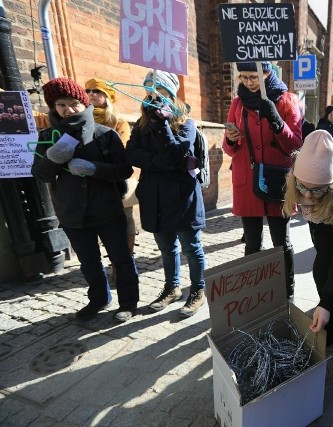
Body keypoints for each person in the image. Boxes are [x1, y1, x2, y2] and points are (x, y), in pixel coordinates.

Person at [31, 77, 139, 322]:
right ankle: (99, 299)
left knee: (121, 259)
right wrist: (52, 159)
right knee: (89, 262)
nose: (68, 110)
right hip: (71, 214)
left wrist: (94, 168)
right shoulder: (48, 136)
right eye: (61, 105)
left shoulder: (105, 135)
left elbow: (124, 171)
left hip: (107, 211)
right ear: (53, 107)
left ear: (83, 103)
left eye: (73, 103)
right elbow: (39, 173)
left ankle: (129, 303)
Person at [125, 70, 206, 318]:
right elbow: (132, 155)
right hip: (155, 197)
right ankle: (171, 287)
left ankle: (198, 290)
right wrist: (161, 162)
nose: (154, 97)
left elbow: (177, 154)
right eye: (149, 91)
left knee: (191, 247)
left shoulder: (186, 124)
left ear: (171, 94)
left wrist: (162, 125)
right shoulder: (140, 126)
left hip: (182, 197)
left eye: (160, 91)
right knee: (166, 248)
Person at [223, 62, 302, 298]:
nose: (248, 82)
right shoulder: (238, 102)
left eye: (254, 77)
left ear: (267, 73)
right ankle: (254, 294)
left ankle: (287, 292)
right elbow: (229, 149)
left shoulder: (288, 100)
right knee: (252, 245)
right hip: (248, 181)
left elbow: (295, 145)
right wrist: (231, 137)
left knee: (281, 243)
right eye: (243, 77)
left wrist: (277, 121)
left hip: (276, 180)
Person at [283, 130, 333, 346]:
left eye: (316, 190)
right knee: (321, 264)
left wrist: (327, 302)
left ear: (329, 187)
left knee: (329, 269)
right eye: (302, 187)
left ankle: (332, 326)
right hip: (320, 227)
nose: (307, 196)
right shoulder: (297, 179)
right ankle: (326, 312)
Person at [84, 77, 137, 283]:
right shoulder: (82, 118)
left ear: (107, 96)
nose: (92, 94)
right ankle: (112, 259)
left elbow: (123, 150)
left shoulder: (117, 121)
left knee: (125, 219)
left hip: (117, 179)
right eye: (88, 90)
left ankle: (124, 261)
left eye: (97, 91)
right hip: (92, 181)